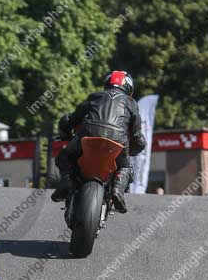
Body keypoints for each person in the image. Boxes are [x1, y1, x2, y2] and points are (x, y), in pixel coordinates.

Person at [51, 70, 146, 213]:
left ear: (106, 83)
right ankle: (117, 190)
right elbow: (136, 134)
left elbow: (70, 119)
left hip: (88, 136)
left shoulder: (94, 96)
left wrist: (64, 133)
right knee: (125, 167)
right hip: (118, 140)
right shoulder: (132, 103)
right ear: (129, 89)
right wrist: (137, 148)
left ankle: (67, 180)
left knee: (65, 156)